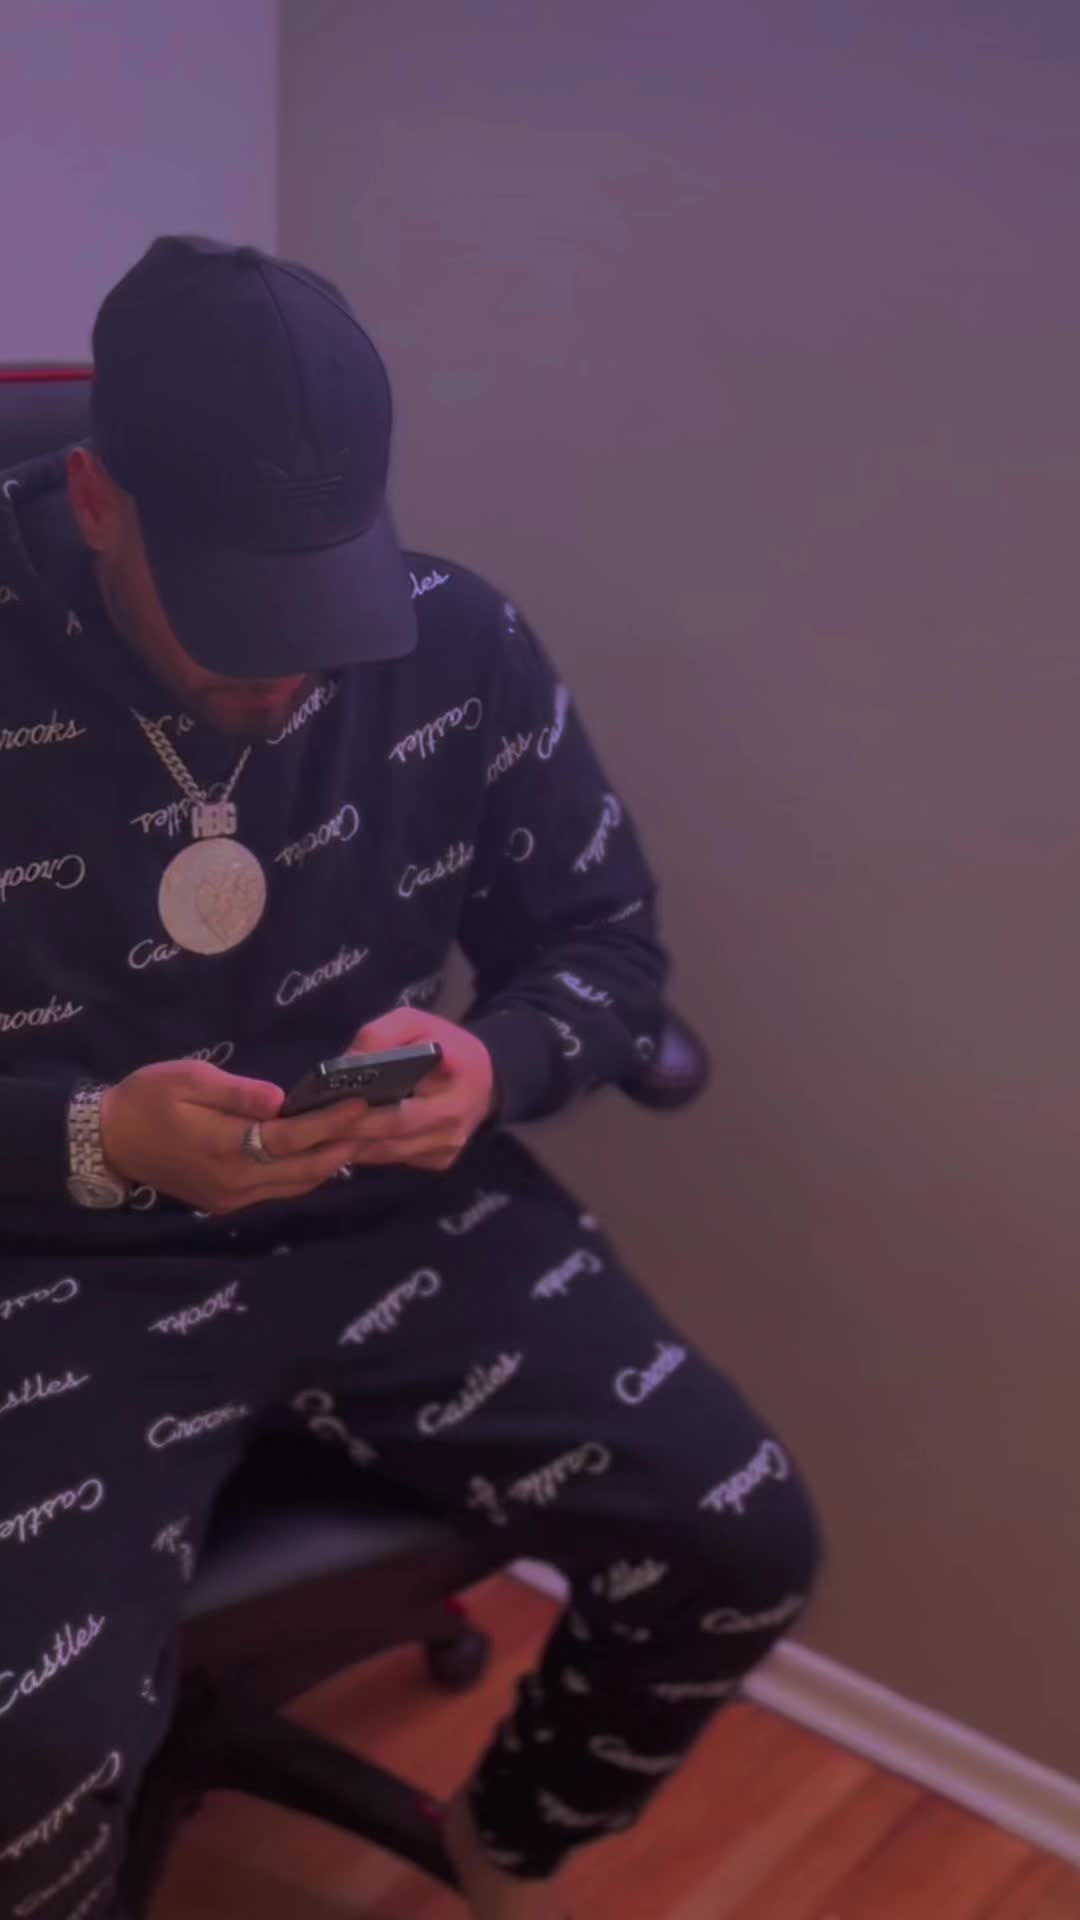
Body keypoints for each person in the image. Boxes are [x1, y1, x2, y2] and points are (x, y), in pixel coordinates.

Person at [0, 236, 821, 1920]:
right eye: (237, 625)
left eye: (322, 613)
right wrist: (92, 1140)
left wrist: (493, 1061)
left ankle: (500, 1847)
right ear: (96, 499)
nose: (286, 676)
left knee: (744, 1541)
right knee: (30, 1754)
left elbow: (605, 950)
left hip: (385, 1206)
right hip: (53, 1249)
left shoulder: (455, 641)